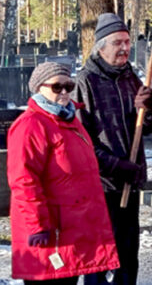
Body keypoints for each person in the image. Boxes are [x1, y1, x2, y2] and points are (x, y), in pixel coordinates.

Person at [8, 62, 120, 284]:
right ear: (39, 88)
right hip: (50, 232)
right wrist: (37, 225)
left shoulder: (69, 121)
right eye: (57, 87)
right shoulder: (31, 125)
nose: (65, 92)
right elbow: (23, 180)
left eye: (69, 85)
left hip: (72, 228)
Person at [74, 13, 152, 285]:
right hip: (101, 186)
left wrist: (149, 109)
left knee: (128, 256)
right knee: (100, 258)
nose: (124, 49)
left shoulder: (131, 77)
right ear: (101, 47)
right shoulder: (85, 82)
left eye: (126, 42)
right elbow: (81, 141)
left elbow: (144, 128)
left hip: (129, 183)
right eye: (117, 43)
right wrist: (116, 166)